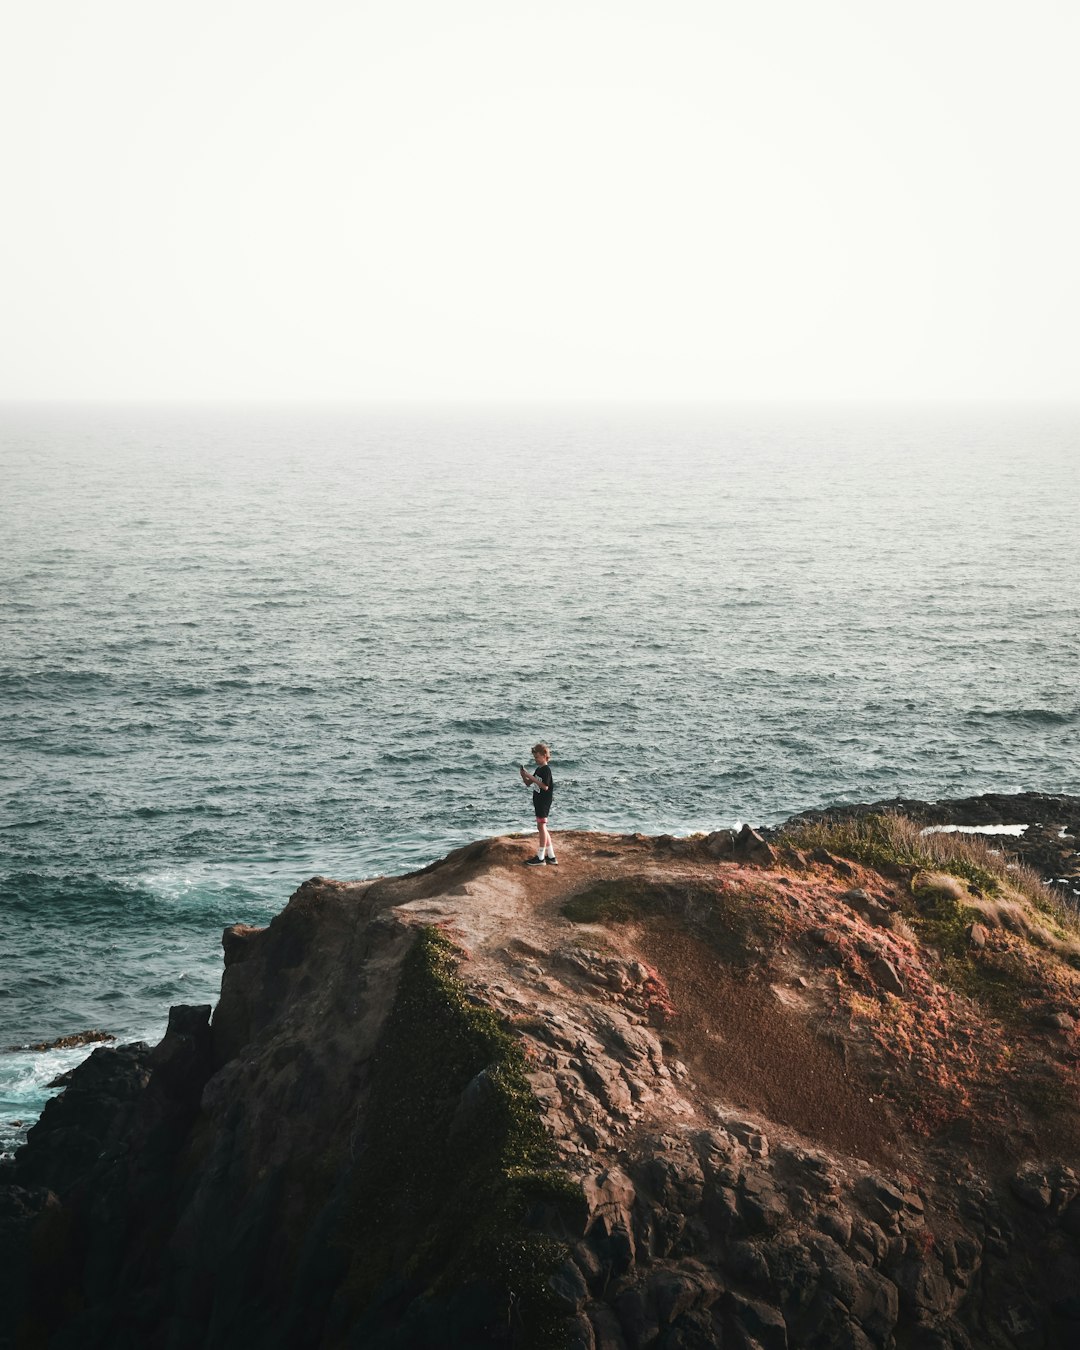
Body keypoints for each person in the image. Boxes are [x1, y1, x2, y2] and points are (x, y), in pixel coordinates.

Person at [519, 743, 557, 865]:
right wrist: (524, 775)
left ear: (545, 756)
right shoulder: (538, 769)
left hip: (544, 802)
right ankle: (551, 856)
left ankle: (540, 857)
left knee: (541, 827)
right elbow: (528, 783)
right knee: (542, 827)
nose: (535, 760)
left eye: (537, 757)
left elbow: (545, 786)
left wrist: (530, 776)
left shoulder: (546, 770)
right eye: (534, 757)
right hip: (538, 801)